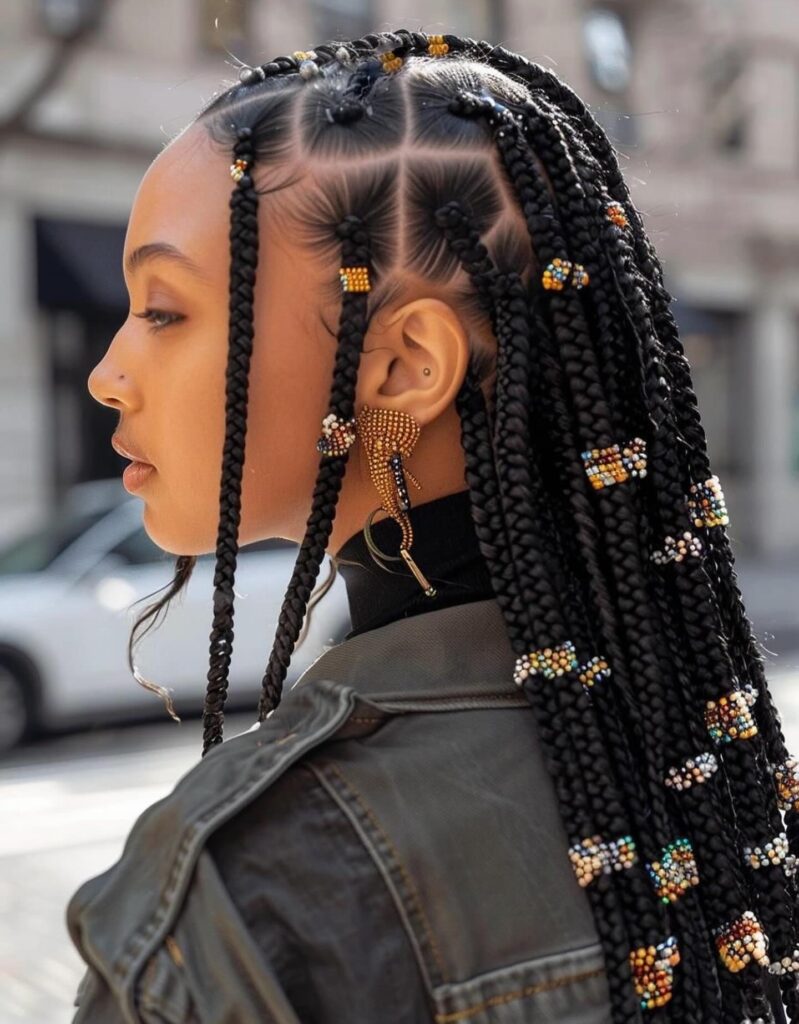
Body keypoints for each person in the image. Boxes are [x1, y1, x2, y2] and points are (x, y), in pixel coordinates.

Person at [66, 27, 798, 1024]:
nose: (109, 374)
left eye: (162, 310)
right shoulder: (719, 773)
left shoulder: (240, 902)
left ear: (406, 366)